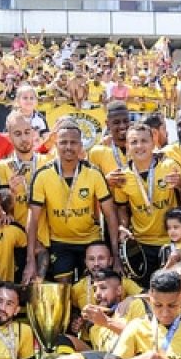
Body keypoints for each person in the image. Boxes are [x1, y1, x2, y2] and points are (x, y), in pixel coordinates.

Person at [23, 121, 119, 282]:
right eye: (63, 142)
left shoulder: (93, 173)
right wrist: (30, 260)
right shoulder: (43, 175)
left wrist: (115, 255)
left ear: (81, 145)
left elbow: (110, 215)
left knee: (94, 287)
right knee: (63, 290)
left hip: (90, 240)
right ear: (56, 144)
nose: (68, 147)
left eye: (73, 142)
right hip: (60, 242)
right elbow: (32, 219)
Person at [114, 122, 181, 282]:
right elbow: (122, 208)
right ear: (127, 147)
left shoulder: (168, 166)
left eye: (144, 141)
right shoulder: (123, 176)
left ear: (153, 143)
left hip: (170, 242)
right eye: (134, 142)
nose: (139, 146)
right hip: (141, 245)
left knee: (170, 288)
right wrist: (123, 226)